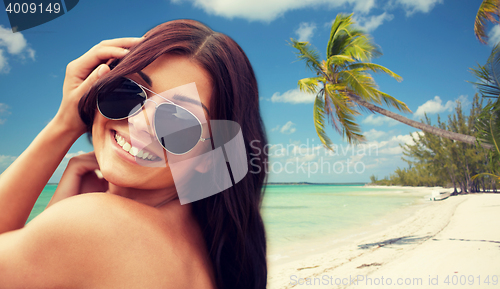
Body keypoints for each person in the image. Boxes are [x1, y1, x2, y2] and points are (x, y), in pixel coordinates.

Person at [0, 19, 268, 289]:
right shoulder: (201, 242)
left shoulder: (96, 226)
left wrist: (63, 125)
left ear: (210, 155)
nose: (139, 124)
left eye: (179, 120)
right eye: (128, 91)